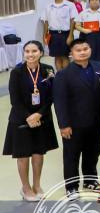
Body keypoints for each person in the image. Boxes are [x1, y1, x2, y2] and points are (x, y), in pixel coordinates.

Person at [5, 41, 57, 201]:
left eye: (34, 51)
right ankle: (25, 188)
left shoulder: (48, 70)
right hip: (21, 119)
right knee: (23, 155)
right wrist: (28, 117)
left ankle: (37, 185)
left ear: (41, 52)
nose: (30, 54)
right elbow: (15, 99)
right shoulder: (17, 72)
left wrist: (39, 114)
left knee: (38, 153)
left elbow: (51, 97)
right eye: (27, 51)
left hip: (42, 118)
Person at [54, 39, 100, 194]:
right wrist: (64, 125)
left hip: (96, 121)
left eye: (85, 48)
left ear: (90, 49)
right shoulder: (63, 74)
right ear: (71, 53)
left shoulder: (99, 67)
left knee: (93, 152)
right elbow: (60, 102)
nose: (82, 52)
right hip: (74, 124)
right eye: (78, 50)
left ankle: (90, 180)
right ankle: (71, 187)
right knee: (72, 156)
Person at [43, 0, 78, 71]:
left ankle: (66, 76)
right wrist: (44, 35)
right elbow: (46, 21)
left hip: (65, 34)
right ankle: (59, 75)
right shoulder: (48, 6)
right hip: (53, 34)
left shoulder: (70, 5)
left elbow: (73, 21)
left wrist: (71, 35)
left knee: (65, 56)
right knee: (57, 56)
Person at [75, 0, 100, 65]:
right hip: (87, 36)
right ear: (89, 2)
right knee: (87, 55)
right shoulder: (83, 13)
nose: (94, 1)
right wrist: (84, 30)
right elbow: (77, 25)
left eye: (96, 0)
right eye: (92, 0)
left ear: (99, 1)